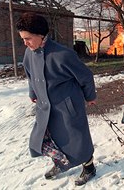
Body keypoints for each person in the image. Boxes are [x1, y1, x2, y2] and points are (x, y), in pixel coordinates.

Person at [16, 12, 97, 186]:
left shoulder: (63, 54)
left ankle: (89, 167)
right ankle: (60, 162)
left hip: (67, 106)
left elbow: (86, 77)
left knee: (77, 139)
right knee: (49, 139)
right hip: (46, 107)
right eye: (23, 39)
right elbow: (30, 75)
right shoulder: (29, 53)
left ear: (41, 35)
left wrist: (90, 96)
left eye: (28, 38)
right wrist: (33, 93)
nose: (25, 42)